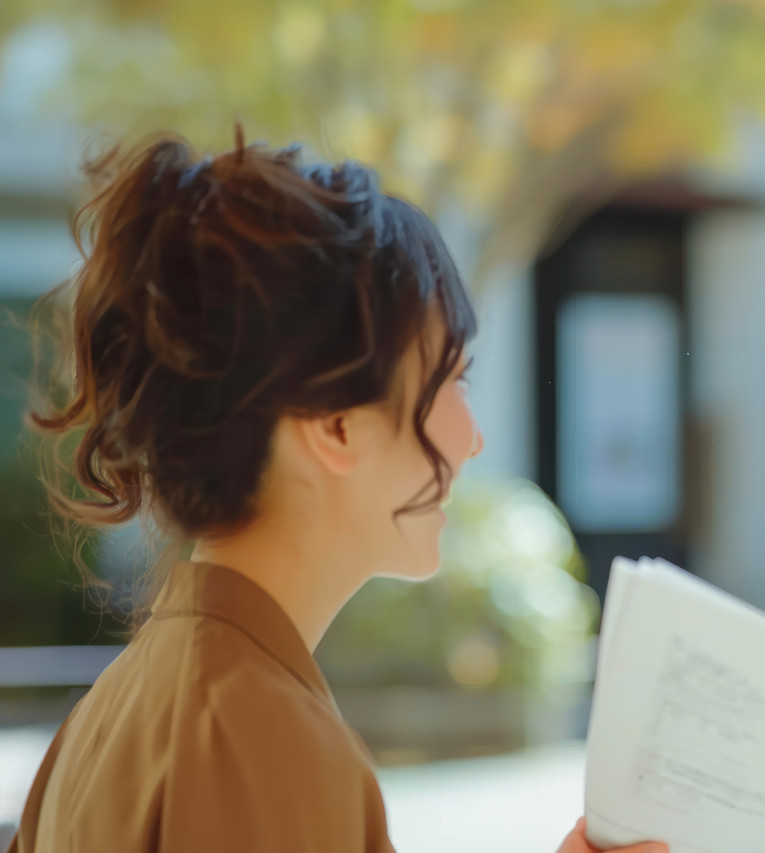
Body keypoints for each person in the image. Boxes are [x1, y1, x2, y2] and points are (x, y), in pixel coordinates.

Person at [7, 129, 664, 853]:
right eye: (452, 379)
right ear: (334, 422)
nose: (472, 437)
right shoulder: (261, 731)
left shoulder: (113, 712)